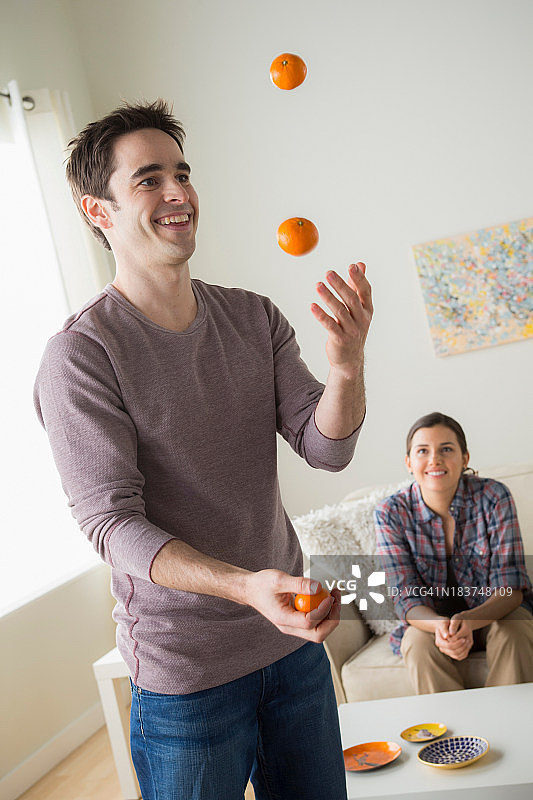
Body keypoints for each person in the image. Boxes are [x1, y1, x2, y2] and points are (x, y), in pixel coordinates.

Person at [33, 99, 372, 800]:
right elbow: (111, 525)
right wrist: (245, 586)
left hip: (294, 646)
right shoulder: (81, 355)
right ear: (99, 213)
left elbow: (325, 448)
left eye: (181, 174)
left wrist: (345, 367)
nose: (177, 193)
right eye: (148, 179)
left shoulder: (252, 316)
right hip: (187, 675)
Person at [374, 411, 533, 695]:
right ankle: (453, 736)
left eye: (446, 449)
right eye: (423, 451)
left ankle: (510, 728)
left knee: (516, 629)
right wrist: (443, 629)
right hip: (432, 624)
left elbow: (510, 589)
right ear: (409, 462)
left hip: (494, 616)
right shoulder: (391, 513)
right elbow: (405, 597)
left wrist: (469, 622)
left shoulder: (494, 497)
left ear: (465, 458)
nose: (434, 459)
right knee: (416, 643)